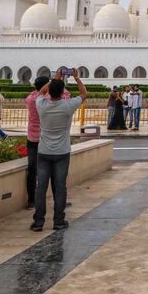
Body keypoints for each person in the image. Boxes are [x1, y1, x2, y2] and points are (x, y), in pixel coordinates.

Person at [30, 69, 87, 232]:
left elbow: (40, 92)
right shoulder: (67, 106)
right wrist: (76, 78)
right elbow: (83, 94)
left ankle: (39, 221)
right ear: (63, 92)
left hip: (44, 151)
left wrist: (54, 78)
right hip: (62, 152)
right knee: (60, 187)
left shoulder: (41, 105)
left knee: (41, 187)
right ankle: (58, 221)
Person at [24, 75, 70, 208]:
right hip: (49, 141)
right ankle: (59, 200)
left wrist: (51, 82)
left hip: (32, 140)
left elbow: (37, 95)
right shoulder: (52, 101)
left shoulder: (32, 99)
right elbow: (65, 94)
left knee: (32, 170)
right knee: (57, 174)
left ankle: (32, 200)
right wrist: (57, 80)